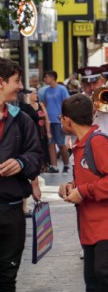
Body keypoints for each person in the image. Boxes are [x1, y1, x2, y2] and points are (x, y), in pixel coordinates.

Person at [58, 94, 108, 292]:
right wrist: (71, 186)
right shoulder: (80, 146)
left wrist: (82, 192)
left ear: (68, 120)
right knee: (94, 284)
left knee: (106, 276)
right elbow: (92, 177)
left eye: (61, 118)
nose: (61, 121)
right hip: (90, 227)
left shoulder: (98, 142)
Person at [0, 58, 43, 292]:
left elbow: (37, 156)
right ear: (0, 82)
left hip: (12, 210)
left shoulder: (22, 119)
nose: (20, 87)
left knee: (8, 275)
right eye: (16, 81)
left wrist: (21, 163)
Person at [19, 87, 52, 216]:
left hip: (40, 136)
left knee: (38, 162)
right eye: (34, 93)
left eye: (37, 93)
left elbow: (46, 119)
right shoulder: (24, 108)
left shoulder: (40, 105)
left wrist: (48, 132)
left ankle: (26, 204)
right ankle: (24, 205)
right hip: (30, 139)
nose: (36, 95)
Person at [41, 70, 71, 174]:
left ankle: (66, 164)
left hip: (58, 121)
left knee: (61, 144)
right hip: (49, 121)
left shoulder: (62, 89)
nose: (45, 79)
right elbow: (44, 104)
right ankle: (54, 166)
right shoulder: (46, 91)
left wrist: (64, 117)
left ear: (52, 77)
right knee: (51, 143)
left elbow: (66, 103)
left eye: (47, 77)